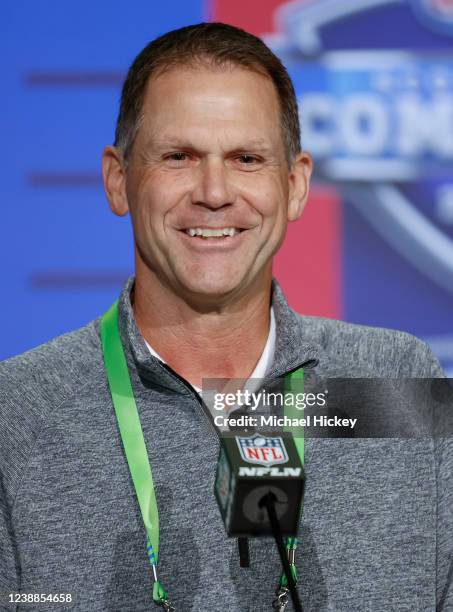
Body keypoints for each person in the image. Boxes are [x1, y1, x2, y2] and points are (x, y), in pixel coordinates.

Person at [0, 22, 451, 612]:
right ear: (118, 181)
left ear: (294, 186)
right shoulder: (19, 411)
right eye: (178, 156)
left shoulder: (400, 381)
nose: (214, 192)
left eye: (246, 158)